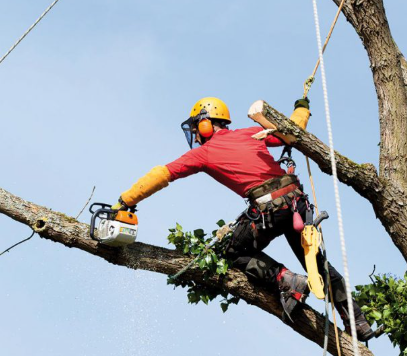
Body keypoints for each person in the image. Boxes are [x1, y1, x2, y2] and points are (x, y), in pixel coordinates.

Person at [112, 97, 375, 341]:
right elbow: (293, 130)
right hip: (296, 204)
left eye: (196, 128)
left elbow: (163, 174)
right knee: (317, 265)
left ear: (205, 123)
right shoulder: (250, 133)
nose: (196, 136)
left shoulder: (204, 153)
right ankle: (358, 321)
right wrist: (302, 107)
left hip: (269, 209)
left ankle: (285, 279)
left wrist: (126, 201)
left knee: (231, 252)